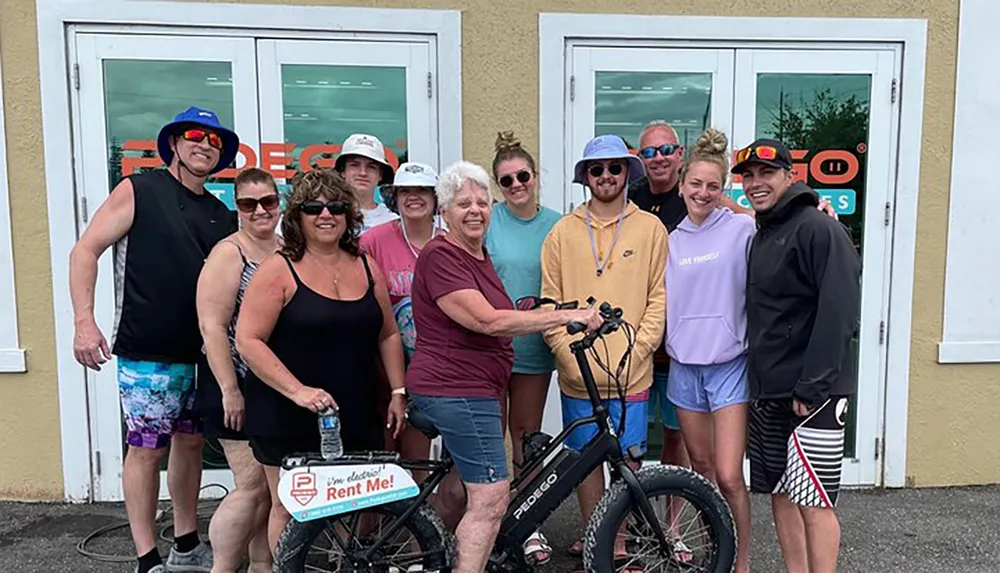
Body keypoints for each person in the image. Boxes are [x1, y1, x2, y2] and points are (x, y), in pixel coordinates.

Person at [406, 160, 600, 573]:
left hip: (471, 388)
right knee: (492, 499)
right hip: (458, 390)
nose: (475, 209)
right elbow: (487, 321)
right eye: (463, 204)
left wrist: (549, 308)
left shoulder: (477, 255)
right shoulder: (443, 256)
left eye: (481, 201)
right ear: (445, 212)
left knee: (460, 491)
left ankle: (428, 558)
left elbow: (502, 309)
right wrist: (564, 318)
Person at [69, 106, 238, 573]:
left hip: (204, 353)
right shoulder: (139, 190)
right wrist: (84, 321)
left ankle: (186, 544)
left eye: (215, 140)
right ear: (174, 143)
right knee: (147, 449)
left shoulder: (220, 212)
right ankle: (147, 558)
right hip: (148, 352)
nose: (205, 145)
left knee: (189, 445)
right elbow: (85, 250)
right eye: (194, 135)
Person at [234, 168, 408, 553]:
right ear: (297, 216)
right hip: (286, 409)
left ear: (349, 216)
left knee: (353, 500)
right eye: (314, 207)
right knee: (288, 505)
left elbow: (388, 333)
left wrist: (398, 390)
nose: (325, 215)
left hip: (355, 408)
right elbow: (248, 340)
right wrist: (298, 391)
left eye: (336, 207)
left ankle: (338, 563)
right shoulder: (279, 269)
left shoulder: (366, 265)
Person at [541, 134, 667, 569]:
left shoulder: (651, 229)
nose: (607, 176)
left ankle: (619, 541)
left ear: (628, 174)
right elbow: (549, 301)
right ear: (586, 177)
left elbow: (658, 298)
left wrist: (640, 349)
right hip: (578, 374)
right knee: (585, 463)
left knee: (630, 459)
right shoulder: (562, 232)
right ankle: (599, 535)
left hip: (631, 371)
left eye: (615, 168)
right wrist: (563, 350)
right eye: (597, 170)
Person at [736, 138, 861, 573]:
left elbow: (840, 309)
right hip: (770, 389)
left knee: (816, 502)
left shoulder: (818, 227)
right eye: (748, 176)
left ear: (790, 175)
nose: (756, 183)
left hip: (815, 394)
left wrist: (812, 386)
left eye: (766, 174)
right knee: (783, 494)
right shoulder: (763, 230)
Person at [664, 128, 754, 573]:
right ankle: (714, 548)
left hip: (728, 366)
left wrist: (819, 207)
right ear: (681, 186)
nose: (703, 193)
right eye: (695, 184)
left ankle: (742, 560)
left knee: (729, 474)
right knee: (699, 467)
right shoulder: (671, 239)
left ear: (724, 190)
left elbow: (786, 222)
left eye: (712, 186)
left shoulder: (742, 228)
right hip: (684, 367)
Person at [195, 167, 282, 573]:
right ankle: (223, 566)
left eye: (268, 201)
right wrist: (230, 389)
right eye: (249, 203)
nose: (260, 210)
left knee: (271, 491)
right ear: (237, 208)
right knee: (250, 488)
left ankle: (262, 563)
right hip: (235, 385)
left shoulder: (284, 248)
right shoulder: (229, 253)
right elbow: (212, 326)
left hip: (271, 387)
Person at [483, 131, 563, 565]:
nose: (516, 186)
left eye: (522, 177)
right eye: (506, 180)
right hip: (490, 348)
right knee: (490, 440)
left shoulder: (557, 223)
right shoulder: (487, 220)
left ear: (536, 177)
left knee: (526, 438)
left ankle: (526, 522)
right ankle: (490, 520)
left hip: (534, 348)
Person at [360, 162, 445, 472]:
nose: (414, 197)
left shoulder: (450, 242)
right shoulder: (373, 241)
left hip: (432, 370)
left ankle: (416, 519)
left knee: (417, 457)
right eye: (406, 190)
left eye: (422, 190)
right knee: (379, 461)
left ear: (436, 198)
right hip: (382, 369)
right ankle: (376, 522)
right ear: (394, 196)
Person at [628, 120, 692, 488]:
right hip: (635, 347)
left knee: (675, 438)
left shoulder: (693, 196)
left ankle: (673, 529)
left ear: (679, 154)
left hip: (677, 347)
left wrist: (809, 204)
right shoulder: (630, 198)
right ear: (641, 158)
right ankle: (621, 520)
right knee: (628, 444)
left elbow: (744, 215)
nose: (659, 158)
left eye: (667, 149)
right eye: (650, 152)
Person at [335, 133, 399, 233]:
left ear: (380, 175)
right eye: (354, 165)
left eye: (371, 167)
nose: (363, 173)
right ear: (343, 172)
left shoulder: (394, 221)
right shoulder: (330, 215)